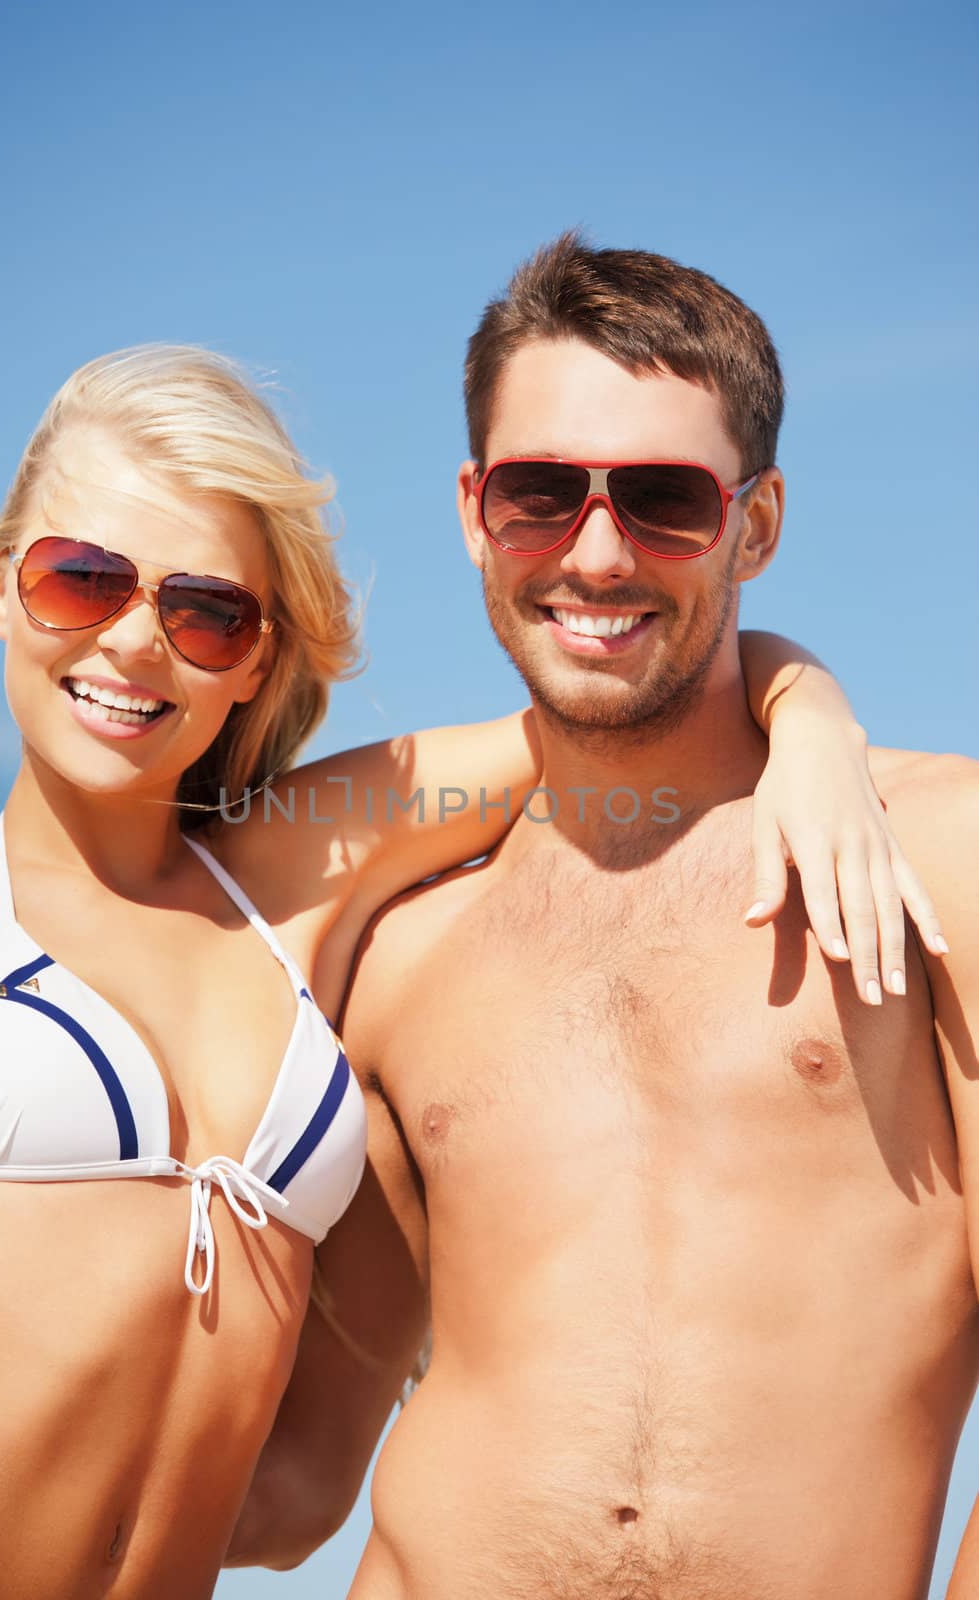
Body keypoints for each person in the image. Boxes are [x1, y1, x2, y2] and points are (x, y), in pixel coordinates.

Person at [0, 344, 941, 1597]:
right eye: (78, 580)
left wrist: (811, 719)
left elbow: (609, 685)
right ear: (0, 588)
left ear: (255, 657)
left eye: (206, 611)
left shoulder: (305, 868)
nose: (135, 643)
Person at [223, 237, 978, 1599]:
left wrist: (804, 710)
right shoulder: (401, 948)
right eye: (537, 495)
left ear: (752, 524)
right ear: (472, 509)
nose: (594, 550)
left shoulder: (932, 864)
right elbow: (290, 1488)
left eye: (662, 501)